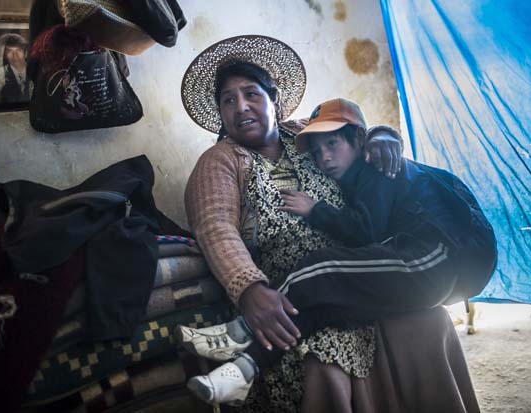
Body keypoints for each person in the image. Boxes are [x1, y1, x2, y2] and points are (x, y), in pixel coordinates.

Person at [181, 35, 481, 412]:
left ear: (274, 99)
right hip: (288, 296)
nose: (241, 107)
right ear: (221, 114)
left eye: (251, 94)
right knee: (323, 354)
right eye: (229, 100)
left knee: (430, 322)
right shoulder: (220, 160)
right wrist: (249, 291)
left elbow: (357, 131)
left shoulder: (306, 132)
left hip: (363, 271)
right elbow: (215, 229)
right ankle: (243, 364)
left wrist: (384, 136)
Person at [0, 33, 31, 103]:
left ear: (25, 53)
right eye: (9, 51)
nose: (15, 55)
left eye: (18, 50)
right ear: (4, 55)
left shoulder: (35, 70)